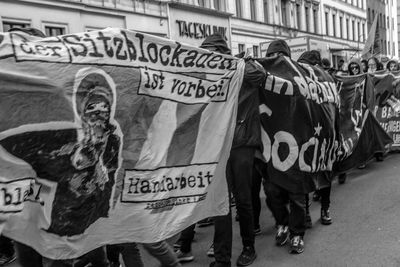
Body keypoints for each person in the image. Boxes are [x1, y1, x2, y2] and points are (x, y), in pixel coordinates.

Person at [200, 33, 266, 267]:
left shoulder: (242, 68)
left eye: (211, 54)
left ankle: (249, 247)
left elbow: (260, 74)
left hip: (241, 144)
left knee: (243, 198)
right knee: (220, 202)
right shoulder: (207, 74)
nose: (207, 58)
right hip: (218, 146)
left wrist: (236, 63)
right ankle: (222, 258)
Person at [297, 50, 334, 226]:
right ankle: (306, 211)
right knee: (305, 172)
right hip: (306, 132)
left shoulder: (327, 79)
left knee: (324, 172)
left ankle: (324, 208)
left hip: (325, 132)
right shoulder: (299, 78)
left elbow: (336, 107)